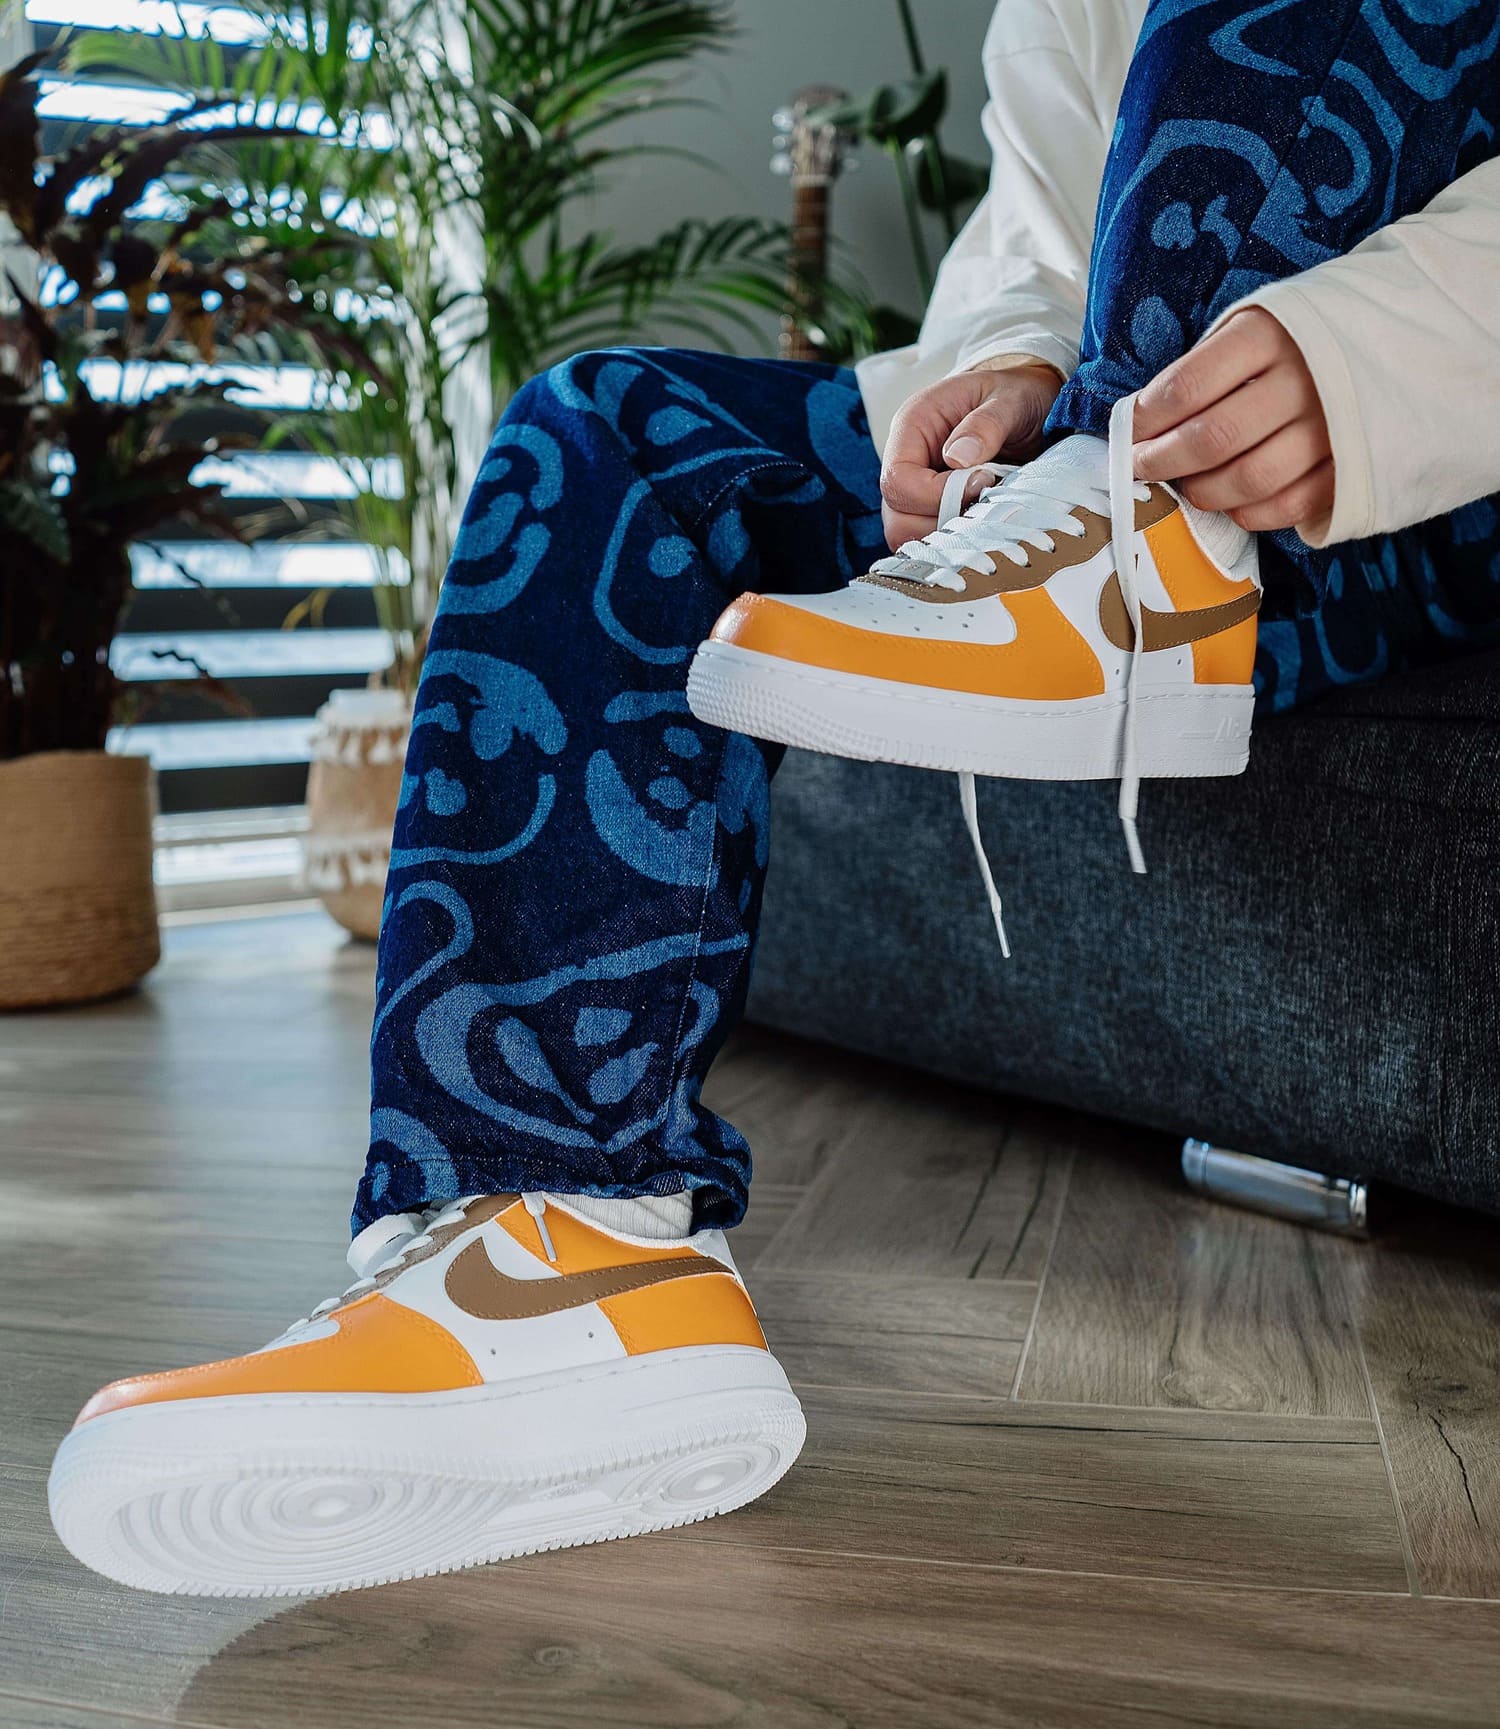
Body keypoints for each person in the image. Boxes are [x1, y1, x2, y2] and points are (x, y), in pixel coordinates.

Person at [51, 0, 1500, 1597]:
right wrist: (1009, 365)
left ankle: (1129, 569)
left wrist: (1366, 362)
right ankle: (567, 1244)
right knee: (609, 439)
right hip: (1095, 452)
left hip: (1437, 463)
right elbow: (1046, 199)